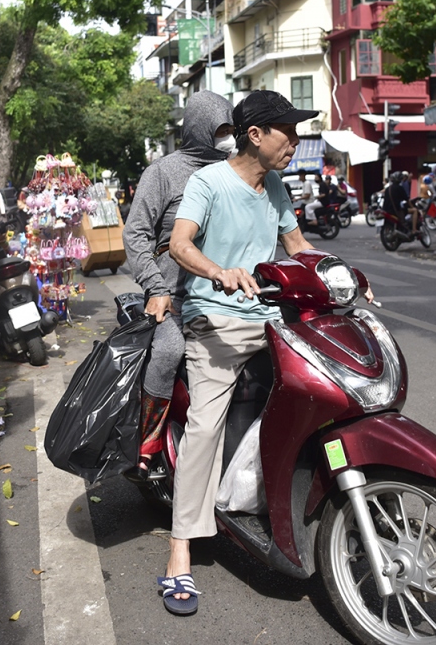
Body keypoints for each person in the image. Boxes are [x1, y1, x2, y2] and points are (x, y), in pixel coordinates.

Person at [161, 90, 373, 615]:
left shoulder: (274, 185)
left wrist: (346, 275)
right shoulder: (208, 183)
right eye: (288, 131)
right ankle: (180, 548)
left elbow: (298, 248)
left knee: (327, 390)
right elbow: (180, 244)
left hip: (271, 319)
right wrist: (218, 272)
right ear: (254, 135)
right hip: (215, 322)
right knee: (206, 426)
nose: (295, 143)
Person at [122, 91, 236, 482]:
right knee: (170, 349)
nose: (227, 137)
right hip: (170, 297)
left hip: (220, 294)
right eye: (221, 130)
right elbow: (135, 234)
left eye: (230, 129)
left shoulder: (234, 171)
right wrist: (156, 287)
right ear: (199, 129)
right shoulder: (163, 173)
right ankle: (148, 444)